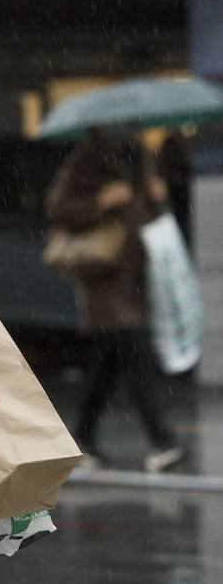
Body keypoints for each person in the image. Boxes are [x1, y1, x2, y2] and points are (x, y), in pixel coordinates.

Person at [45, 129, 184, 473]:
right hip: (103, 276)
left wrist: (156, 197)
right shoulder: (86, 159)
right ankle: (161, 440)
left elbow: (145, 217)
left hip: (135, 275)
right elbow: (57, 207)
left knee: (107, 366)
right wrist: (102, 201)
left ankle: (82, 438)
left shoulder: (138, 158)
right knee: (134, 354)